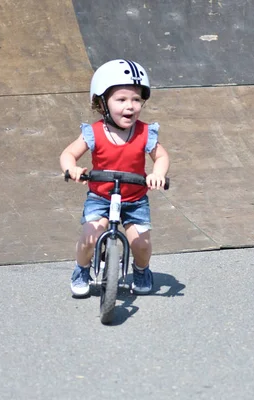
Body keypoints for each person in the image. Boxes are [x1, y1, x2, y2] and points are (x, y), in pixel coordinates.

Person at [59, 59, 170, 297]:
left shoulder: (145, 132)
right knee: (89, 237)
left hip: (134, 199)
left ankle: (141, 270)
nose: (130, 106)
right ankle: (81, 269)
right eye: (121, 100)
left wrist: (157, 174)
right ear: (102, 103)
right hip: (100, 197)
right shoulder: (94, 132)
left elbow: (161, 157)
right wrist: (73, 168)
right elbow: (68, 154)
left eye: (136, 99)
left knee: (141, 244)